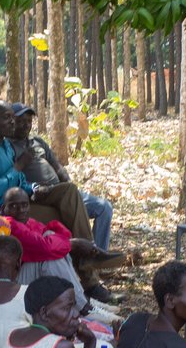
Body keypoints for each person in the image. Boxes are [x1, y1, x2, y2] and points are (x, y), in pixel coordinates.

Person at [0, 99, 119, 302]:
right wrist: (19, 166)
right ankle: (89, 279)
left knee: (69, 192)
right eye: (7, 118)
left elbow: (19, 182)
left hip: (20, 202)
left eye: (12, 117)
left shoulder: (4, 146)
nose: (12, 122)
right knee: (62, 216)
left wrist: (34, 188)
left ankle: (87, 254)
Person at [9, 102, 116, 252]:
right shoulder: (9, 147)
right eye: (21, 121)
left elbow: (57, 166)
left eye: (28, 121)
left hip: (63, 190)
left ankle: (100, 252)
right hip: (40, 193)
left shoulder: (38, 142)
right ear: (11, 122)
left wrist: (68, 182)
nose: (25, 125)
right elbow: (12, 177)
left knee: (104, 207)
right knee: (70, 194)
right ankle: (89, 252)